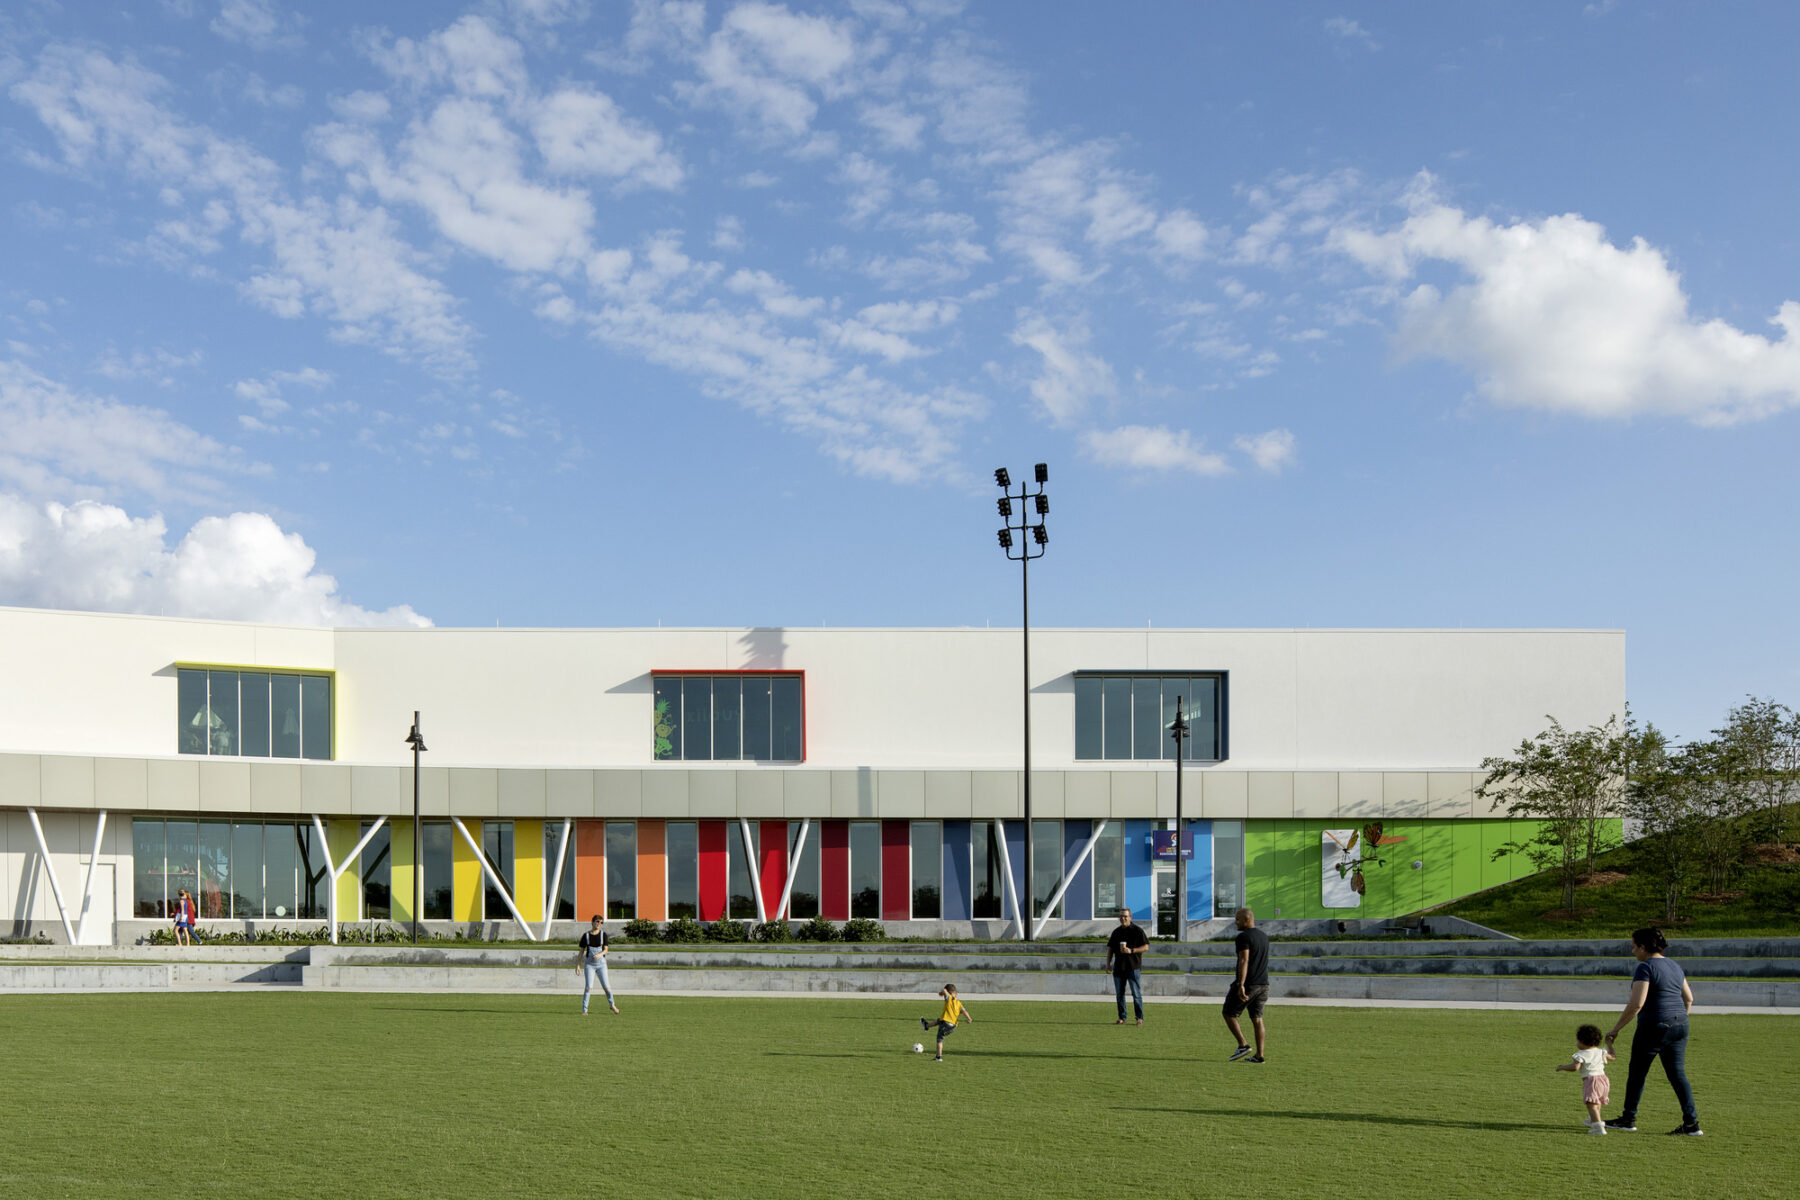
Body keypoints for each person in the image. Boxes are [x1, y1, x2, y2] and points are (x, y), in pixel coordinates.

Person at [1603, 927, 1701, 1135]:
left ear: (1643, 947)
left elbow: (1637, 1004)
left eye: (1634, 947)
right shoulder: (1674, 966)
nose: (1633, 951)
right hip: (1680, 1024)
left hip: (1653, 1026)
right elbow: (1689, 998)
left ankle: (1628, 1119)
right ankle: (1692, 1124)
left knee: (1637, 1073)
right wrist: (1678, 1020)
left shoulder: (1645, 968)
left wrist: (1616, 1029)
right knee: (1678, 1075)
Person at [1223, 906, 1269, 1062]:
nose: (1235, 922)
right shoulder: (1263, 936)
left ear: (1247, 919)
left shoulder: (1243, 937)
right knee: (1257, 1018)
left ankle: (1243, 1045)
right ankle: (1259, 1056)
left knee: (1229, 1013)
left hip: (1249, 984)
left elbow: (1244, 960)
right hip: (1263, 984)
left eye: (1238, 919)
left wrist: (1240, 984)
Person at [1555, 1024, 1615, 1134]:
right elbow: (1612, 1056)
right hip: (1604, 1080)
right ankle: (1593, 1120)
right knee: (1596, 1102)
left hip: (1591, 1081)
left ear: (1582, 1041)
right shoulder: (1601, 1051)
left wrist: (1562, 1067)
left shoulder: (1580, 1054)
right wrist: (1609, 1044)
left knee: (1591, 1103)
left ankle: (1598, 1127)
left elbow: (1575, 1067)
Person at [1105, 907, 1150, 1025]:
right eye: (1121, 916)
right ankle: (1122, 1017)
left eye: (1125, 916)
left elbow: (1146, 947)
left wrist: (1132, 950)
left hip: (1133, 967)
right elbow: (1110, 949)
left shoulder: (1137, 931)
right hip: (1119, 968)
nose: (1123, 918)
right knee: (1120, 995)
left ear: (1130, 917)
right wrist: (1108, 964)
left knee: (1136, 994)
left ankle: (1139, 1018)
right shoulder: (1116, 932)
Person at [576, 915, 619, 1015]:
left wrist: (599, 954)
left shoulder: (603, 935)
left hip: (601, 965)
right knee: (588, 987)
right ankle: (584, 1010)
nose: (599, 924)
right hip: (589, 965)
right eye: (597, 922)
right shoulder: (586, 935)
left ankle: (612, 1005)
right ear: (592, 922)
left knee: (607, 987)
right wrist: (578, 965)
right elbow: (581, 952)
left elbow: (606, 950)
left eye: (601, 922)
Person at [919, 983, 973, 1061]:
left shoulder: (949, 998)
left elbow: (944, 990)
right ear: (955, 993)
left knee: (939, 1038)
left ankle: (938, 1057)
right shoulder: (958, 1003)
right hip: (953, 1026)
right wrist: (969, 1019)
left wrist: (942, 993)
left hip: (946, 1023)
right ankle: (926, 1026)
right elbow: (964, 1011)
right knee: (939, 1020)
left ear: (949, 993)